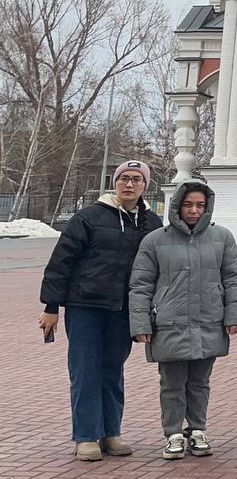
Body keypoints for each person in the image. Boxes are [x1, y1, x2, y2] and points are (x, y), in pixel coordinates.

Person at [38, 160, 163, 460]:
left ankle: (110, 432)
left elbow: (158, 270)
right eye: (123, 178)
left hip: (122, 310)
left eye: (136, 179)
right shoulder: (89, 217)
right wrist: (51, 307)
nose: (129, 184)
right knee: (85, 370)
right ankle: (85, 436)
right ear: (115, 182)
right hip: (85, 307)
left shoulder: (152, 224)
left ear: (145, 186)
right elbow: (60, 263)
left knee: (112, 370)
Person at [127, 180, 237, 459]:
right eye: (188, 204)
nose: (194, 211)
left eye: (200, 205)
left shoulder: (222, 238)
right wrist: (141, 324)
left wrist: (234, 316)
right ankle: (173, 433)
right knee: (172, 382)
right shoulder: (155, 240)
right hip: (169, 322)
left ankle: (197, 429)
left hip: (209, 320)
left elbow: (233, 280)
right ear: (177, 205)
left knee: (200, 382)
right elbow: (141, 285)